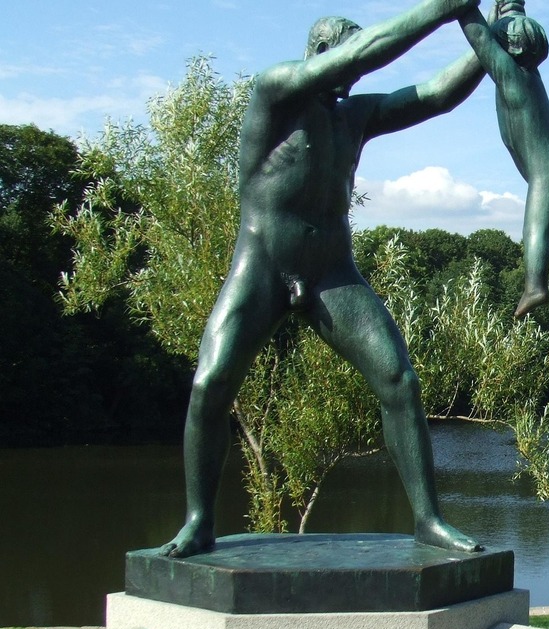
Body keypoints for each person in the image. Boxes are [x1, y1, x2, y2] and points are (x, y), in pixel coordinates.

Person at [161, 0, 490, 558]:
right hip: (262, 266)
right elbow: (362, 54)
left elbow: (436, 95)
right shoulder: (276, 90)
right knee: (209, 384)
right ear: (317, 54)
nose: (355, 71)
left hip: (333, 273)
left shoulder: (353, 117)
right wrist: (443, 7)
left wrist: (491, 38)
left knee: (398, 381)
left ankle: (429, 519)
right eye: (345, 57)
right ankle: (198, 521)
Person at [458, 0, 549, 323]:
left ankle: (535, 286)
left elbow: (479, 38)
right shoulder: (531, 76)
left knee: (536, 232)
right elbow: (498, 33)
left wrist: (463, 8)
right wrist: (508, 7)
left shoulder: (510, 77)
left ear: (507, 48)